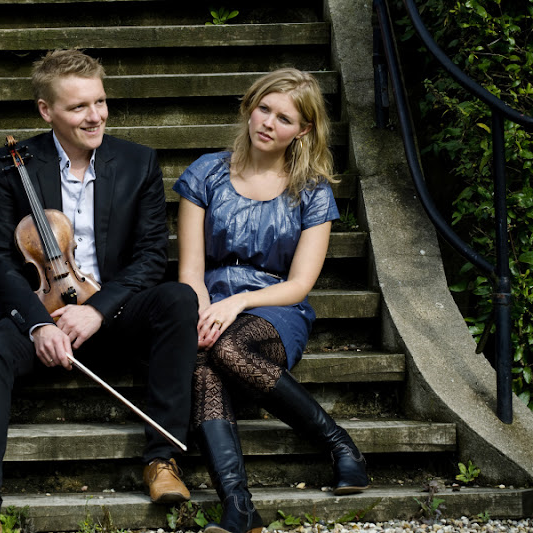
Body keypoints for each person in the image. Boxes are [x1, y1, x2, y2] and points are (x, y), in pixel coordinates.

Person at [0, 49, 199, 533]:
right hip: (41, 311)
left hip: (113, 311)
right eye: (78, 107)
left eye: (100, 102)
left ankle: (162, 459)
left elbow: (151, 257)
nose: (95, 116)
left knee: (179, 299)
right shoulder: (11, 164)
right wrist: (40, 323)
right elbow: (0, 260)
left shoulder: (138, 161)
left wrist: (98, 310)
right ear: (47, 111)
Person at [174, 68, 369, 533]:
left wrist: (237, 303)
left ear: (302, 130)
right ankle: (239, 507)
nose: (268, 122)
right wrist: (203, 308)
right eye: (264, 108)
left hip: (276, 307)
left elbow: (300, 283)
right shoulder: (206, 172)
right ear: (249, 106)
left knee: (226, 347)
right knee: (204, 357)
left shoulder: (312, 191)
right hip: (207, 298)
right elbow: (190, 270)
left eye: (284, 118)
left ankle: (340, 444)